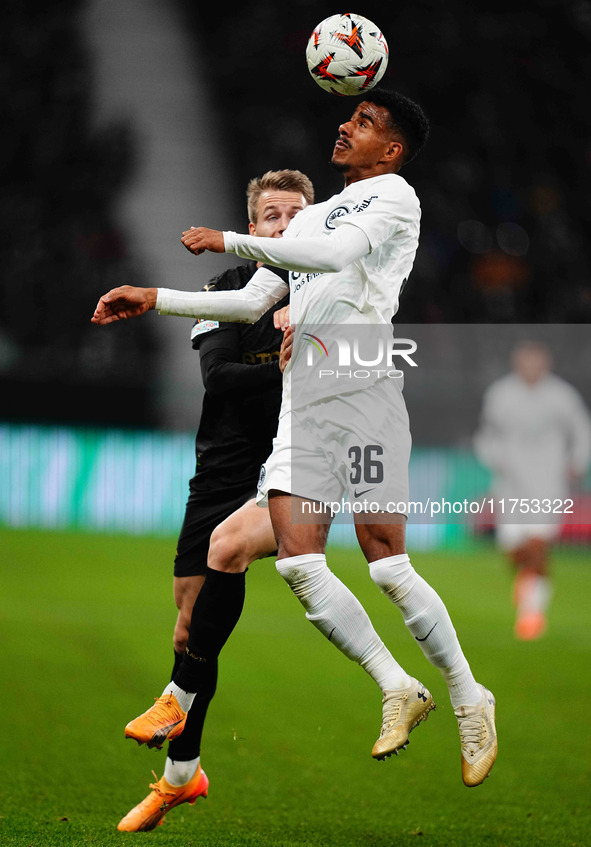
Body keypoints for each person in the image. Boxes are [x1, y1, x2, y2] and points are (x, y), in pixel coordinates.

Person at [93, 87, 497, 789]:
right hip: (304, 407)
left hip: (363, 392)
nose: (346, 125)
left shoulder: (393, 198)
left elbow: (335, 253)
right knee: (296, 562)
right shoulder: (309, 213)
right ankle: (396, 684)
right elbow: (253, 299)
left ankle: (468, 694)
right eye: (349, 116)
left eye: (364, 122)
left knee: (385, 564)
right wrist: (157, 297)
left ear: (391, 149)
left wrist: (233, 238)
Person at [117, 169, 315, 832]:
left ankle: (415, 686)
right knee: (187, 629)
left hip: (291, 469)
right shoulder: (224, 290)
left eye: (295, 215)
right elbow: (219, 380)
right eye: (270, 217)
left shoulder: (334, 290)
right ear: (251, 228)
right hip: (222, 467)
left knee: (230, 560)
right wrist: (281, 364)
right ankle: (183, 774)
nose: (283, 226)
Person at [474, 340, 591, 640]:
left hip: (548, 483)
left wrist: (578, 460)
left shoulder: (561, 396)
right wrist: (492, 457)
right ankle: (525, 579)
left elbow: (581, 429)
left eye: (536, 361)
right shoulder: (501, 395)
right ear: (517, 363)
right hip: (511, 484)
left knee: (539, 546)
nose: (531, 367)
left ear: (545, 363)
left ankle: (531, 614)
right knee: (512, 550)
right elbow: (487, 434)